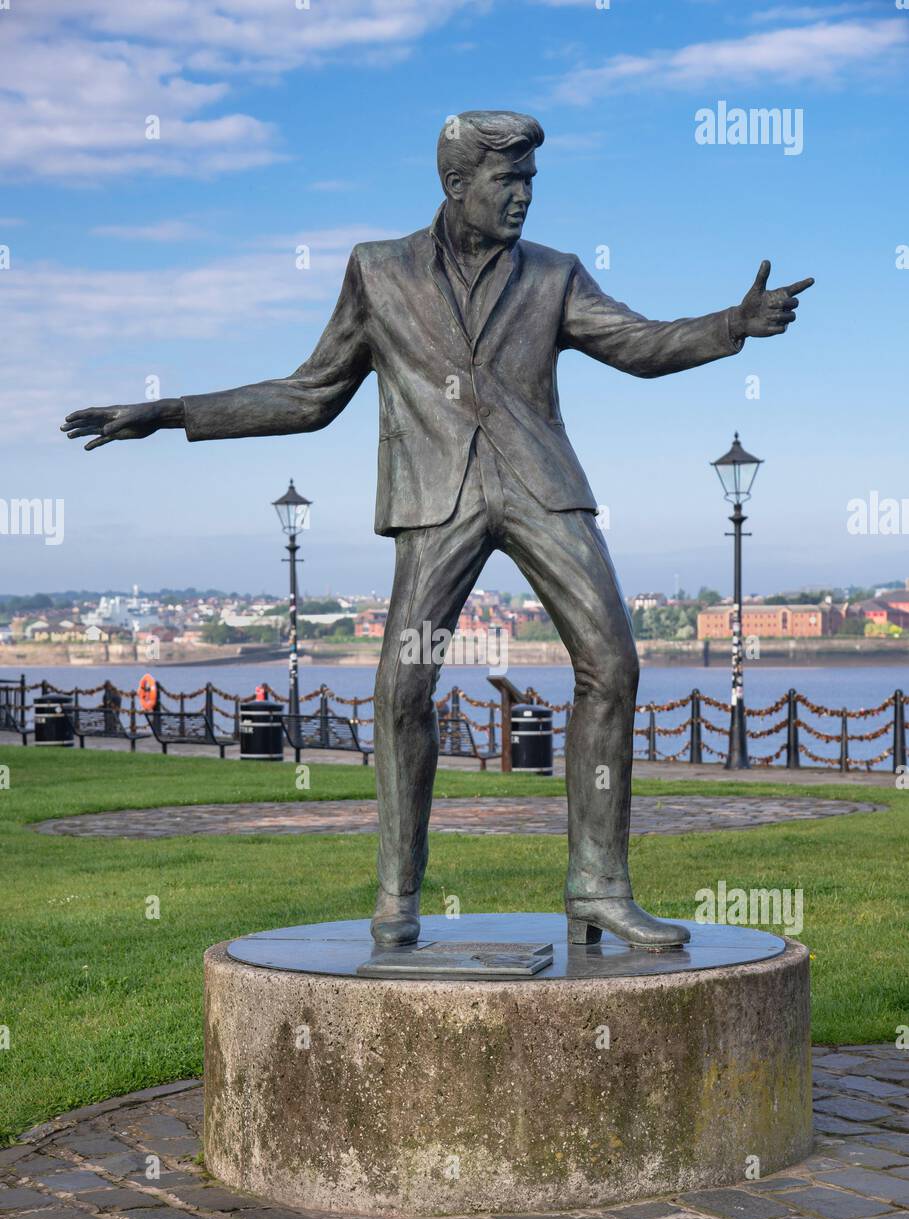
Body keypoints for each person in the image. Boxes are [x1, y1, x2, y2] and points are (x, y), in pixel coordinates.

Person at [61, 110, 813, 950]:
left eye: (530, 181)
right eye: (507, 181)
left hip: (542, 491)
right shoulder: (376, 272)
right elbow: (310, 394)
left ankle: (597, 886)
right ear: (456, 185)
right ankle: (396, 896)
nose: (523, 196)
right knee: (401, 691)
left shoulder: (555, 275)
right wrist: (169, 413)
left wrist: (728, 326)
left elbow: (636, 345)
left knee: (612, 664)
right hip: (434, 499)